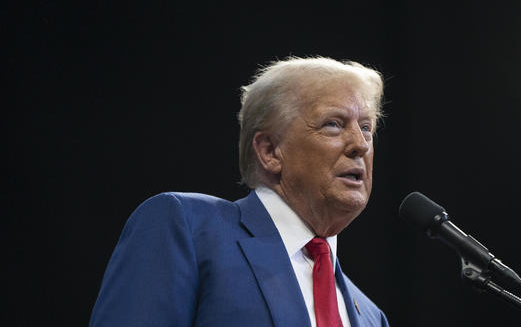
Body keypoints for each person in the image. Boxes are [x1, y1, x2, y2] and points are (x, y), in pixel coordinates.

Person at [89, 56, 389, 327]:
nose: (360, 144)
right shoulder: (188, 228)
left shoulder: (371, 316)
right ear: (270, 150)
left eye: (366, 127)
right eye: (333, 124)